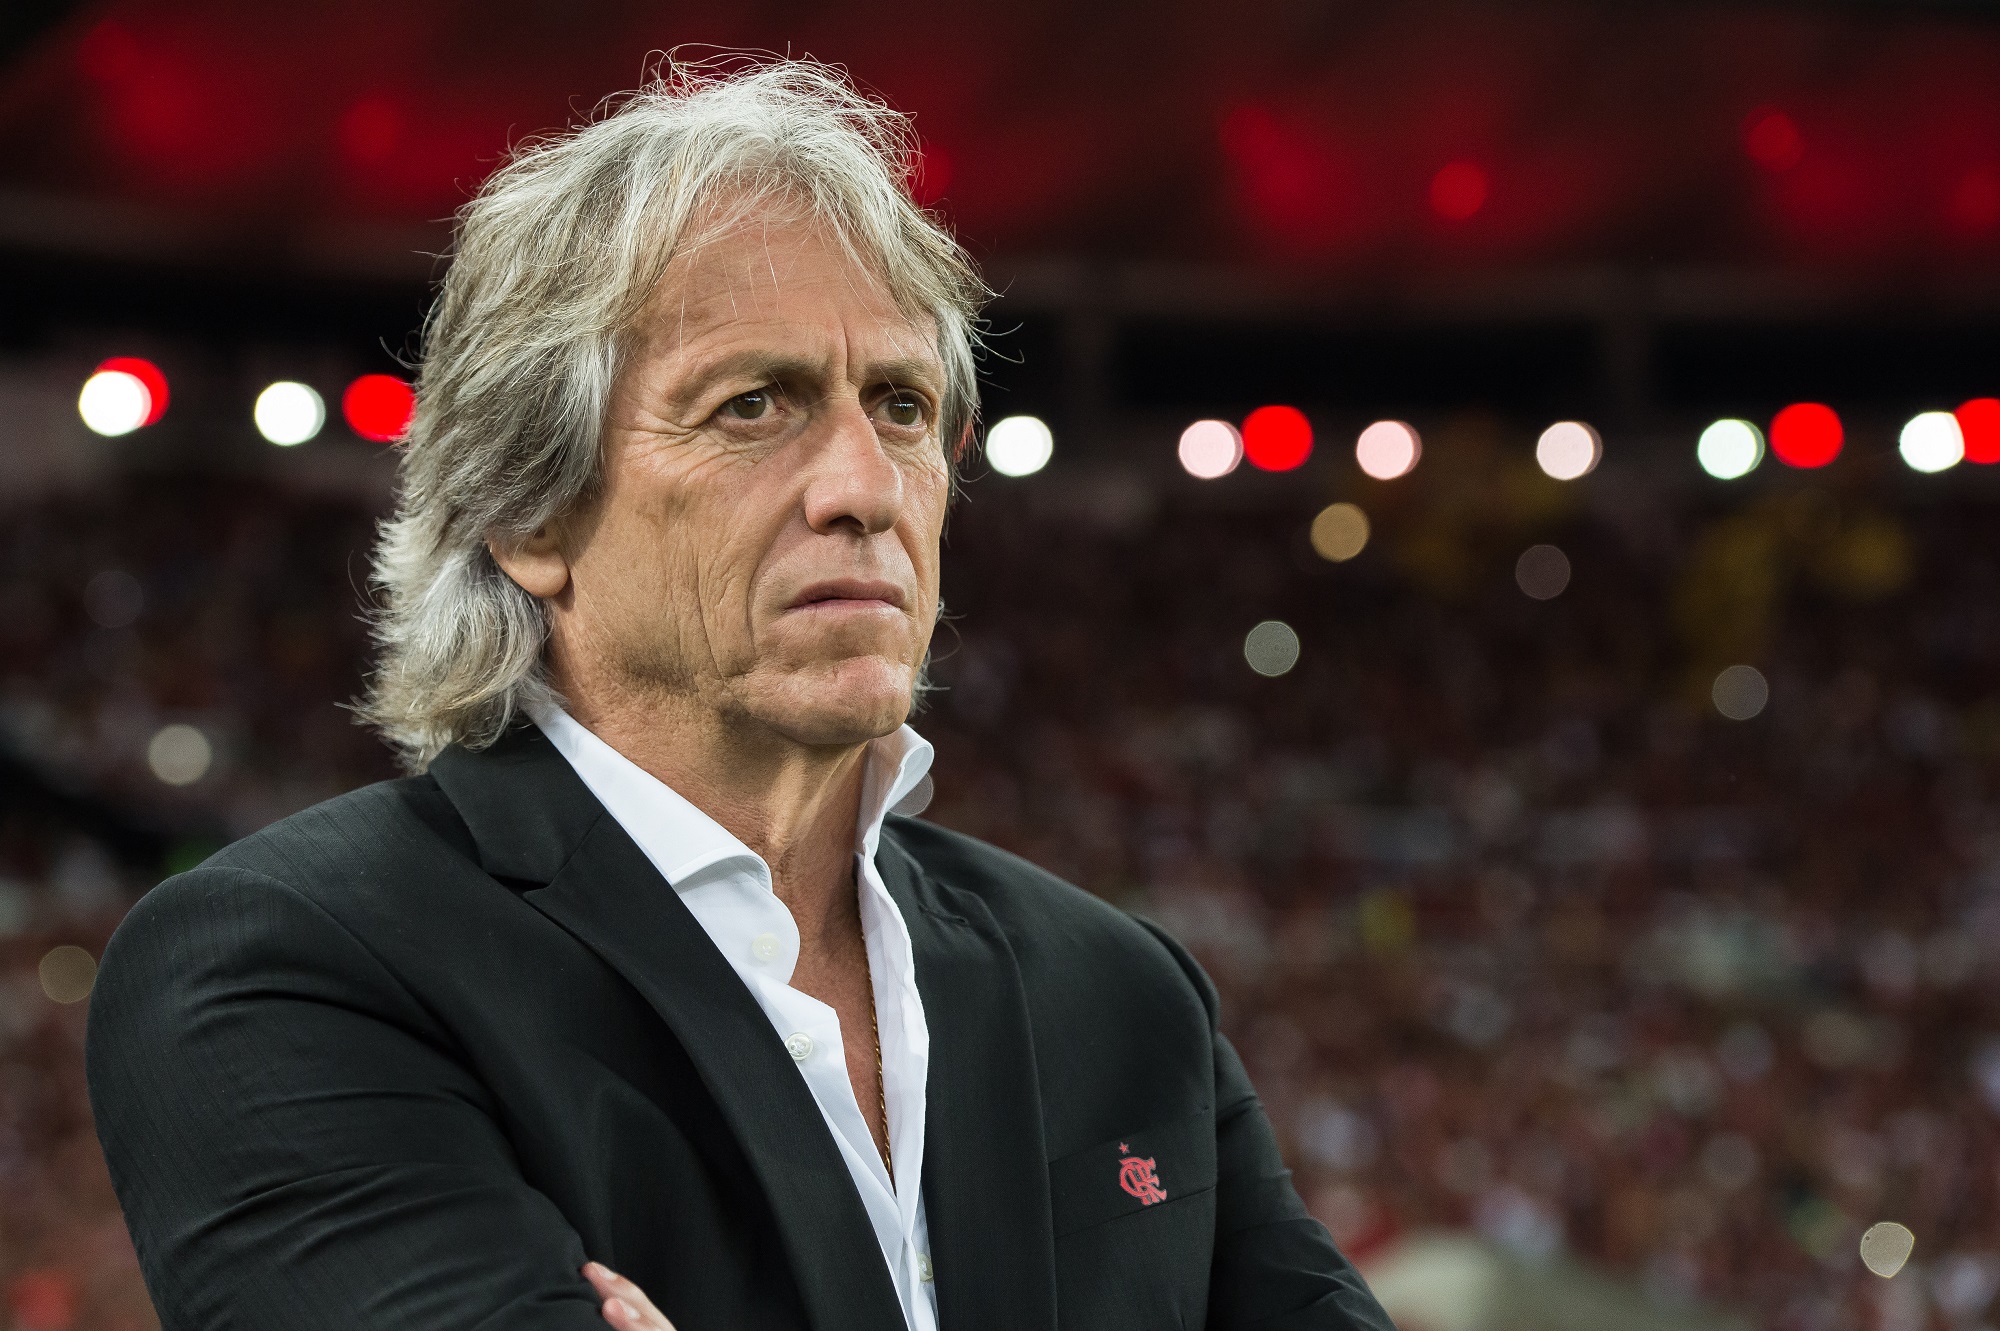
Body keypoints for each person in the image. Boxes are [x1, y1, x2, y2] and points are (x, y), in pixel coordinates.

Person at [85, 59, 1393, 1331]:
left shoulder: (1122, 994)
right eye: (754, 405)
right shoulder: (286, 968)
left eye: (901, 406)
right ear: (529, 510)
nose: (865, 488)